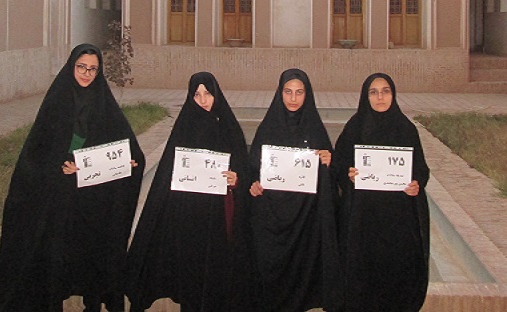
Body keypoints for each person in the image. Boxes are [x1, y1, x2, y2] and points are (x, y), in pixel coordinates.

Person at [0, 43, 145, 312]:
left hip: (92, 202)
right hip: (60, 199)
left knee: (90, 255)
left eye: (93, 69)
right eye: (81, 67)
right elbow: (38, 152)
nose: (87, 74)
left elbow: (127, 149)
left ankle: (92, 303)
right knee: (56, 257)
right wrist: (61, 166)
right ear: (71, 67)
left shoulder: (104, 105)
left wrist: (128, 163)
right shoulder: (56, 103)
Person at [126, 72, 252, 312]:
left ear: (216, 95)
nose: (203, 100)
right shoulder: (184, 128)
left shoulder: (229, 128)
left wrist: (237, 179)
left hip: (219, 216)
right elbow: (167, 174)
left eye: (208, 93)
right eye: (197, 94)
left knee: (217, 272)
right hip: (189, 216)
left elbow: (243, 169)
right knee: (191, 276)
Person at [248, 68, 343, 312]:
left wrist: (328, 162)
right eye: (288, 92)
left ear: (307, 95)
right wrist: (254, 184)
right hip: (272, 217)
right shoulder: (267, 129)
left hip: (304, 220)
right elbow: (252, 169)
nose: (293, 98)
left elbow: (333, 180)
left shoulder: (315, 130)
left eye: (299, 92)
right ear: (279, 93)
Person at [334, 72, 430, 312]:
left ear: (393, 95)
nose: (380, 97)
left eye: (385, 91)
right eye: (373, 92)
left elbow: (421, 169)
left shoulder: (406, 129)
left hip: (397, 217)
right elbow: (338, 164)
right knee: (362, 267)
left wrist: (416, 183)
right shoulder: (355, 127)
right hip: (362, 217)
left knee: (395, 266)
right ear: (365, 96)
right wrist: (348, 173)